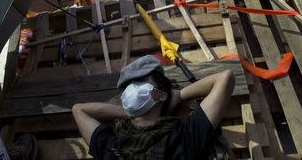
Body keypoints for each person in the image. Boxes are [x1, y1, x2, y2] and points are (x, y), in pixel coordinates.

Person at [72, 55, 235, 160]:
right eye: (130, 86)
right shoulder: (114, 144)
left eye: (141, 81)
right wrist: (131, 112)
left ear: (161, 94)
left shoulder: (184, 138)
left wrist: (178, 95)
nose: (133, 89)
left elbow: (225, 78)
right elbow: (79, 109)